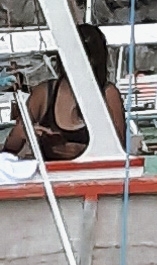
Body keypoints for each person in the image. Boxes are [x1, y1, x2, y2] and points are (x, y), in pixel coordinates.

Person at [2, 21, 127, 165]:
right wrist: (25, 132)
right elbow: (8, 153)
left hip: (92, 177)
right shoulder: (43, 94)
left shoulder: (108, 94)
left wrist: (80, 151)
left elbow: (119, 151)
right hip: (52, 179)